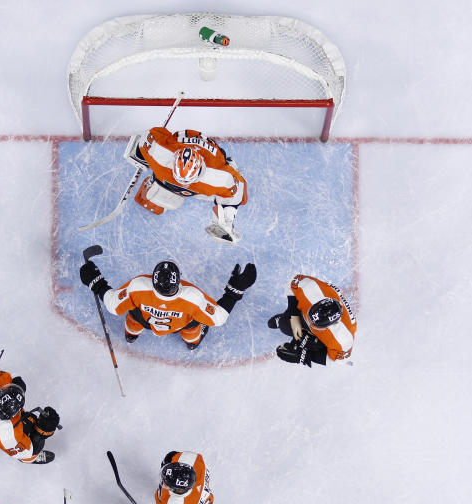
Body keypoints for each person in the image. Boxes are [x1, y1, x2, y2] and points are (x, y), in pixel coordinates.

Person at [79, 258, 256, 349]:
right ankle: (192, 343)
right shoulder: (192, 297)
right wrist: (234, 291)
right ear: (178, 281)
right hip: (179, 325)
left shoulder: (139, 286)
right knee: (193, 326)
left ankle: (131, 335)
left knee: (133, 314)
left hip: (146, 321)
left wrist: (97, 283)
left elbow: (113, 305)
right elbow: (218, 318)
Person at [126, 127, 247, 243]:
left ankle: (230, 165)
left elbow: (239, 185)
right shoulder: (162, 154)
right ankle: (157, 179)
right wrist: (143, 155)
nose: (182, 184)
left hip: (211, 152)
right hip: (182, 138)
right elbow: (148, 136)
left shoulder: (218, 177)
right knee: (162, 192)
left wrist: (226, 219)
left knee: (238, 196)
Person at [0, 371, 59, 464]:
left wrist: (17, 386)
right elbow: (28, 452)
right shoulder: (7, 434)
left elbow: (11, 376)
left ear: (0, 392)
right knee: (28, 450)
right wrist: (41, 433)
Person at [268, 274, 356, 367]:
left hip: (327, 337)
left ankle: (306, 341)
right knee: (285, 324)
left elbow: (336, 360)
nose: (309, 323)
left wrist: (306, 356)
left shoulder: (343, 338)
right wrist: (293, 313)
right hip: (313, 304)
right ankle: (285, 321)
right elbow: (293, 282)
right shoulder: (312, 289)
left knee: (313, 344)